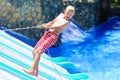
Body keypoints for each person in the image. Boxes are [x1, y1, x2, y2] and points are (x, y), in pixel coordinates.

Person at [23, 5, 75, 77]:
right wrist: (44, 25)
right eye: (68, 13)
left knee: (39, 51)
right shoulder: (60, 15)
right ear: (65, 11)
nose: (69, 15)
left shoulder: (67, 22)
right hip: (47, 34)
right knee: (34, 51)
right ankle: (35, 72)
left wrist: (47, 27)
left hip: (53, 37)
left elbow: (57, 26)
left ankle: (32, 70)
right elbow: (52, 22)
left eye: (71, 15)